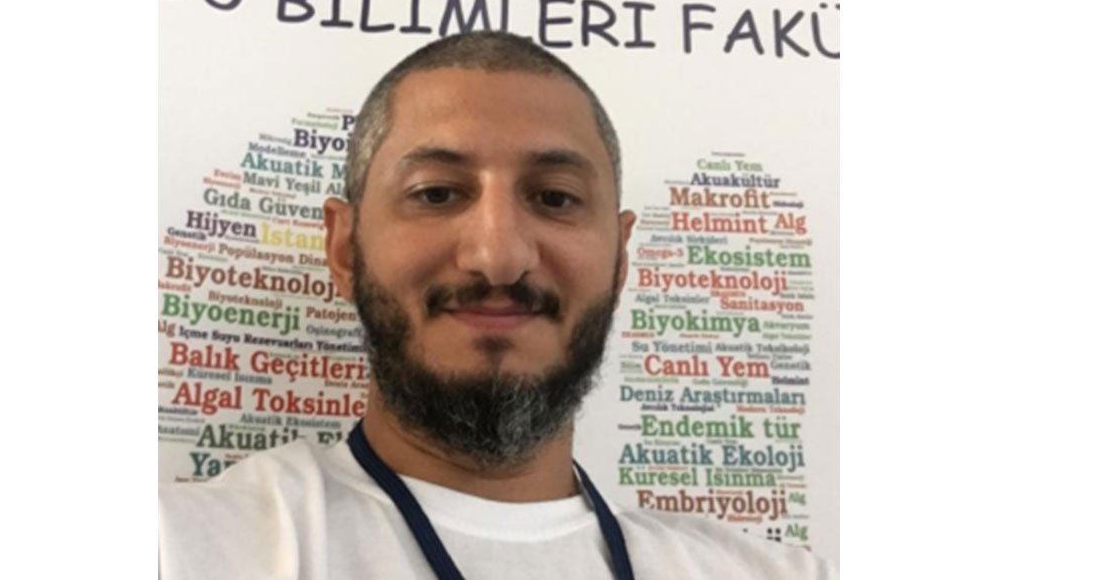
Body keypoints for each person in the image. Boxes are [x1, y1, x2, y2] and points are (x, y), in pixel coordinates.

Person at [159, 32, 837, 579]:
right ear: (344, 248)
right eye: (436, 193)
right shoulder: (180, 547)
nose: (499, 256)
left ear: (621, 258)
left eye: (555, 198)